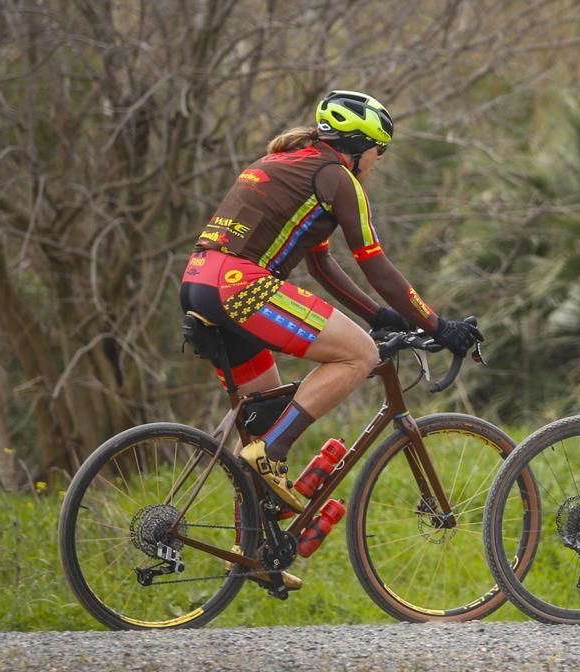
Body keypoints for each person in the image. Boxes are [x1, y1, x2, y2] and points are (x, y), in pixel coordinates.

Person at [180, 90, 482, 514]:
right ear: (359, 148)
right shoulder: (339, 177)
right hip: (241, 287)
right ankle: (272, 452)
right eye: (380, 150)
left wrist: (377, 314)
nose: (379, 160)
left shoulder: (286, 163)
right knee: (359, 354)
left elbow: (320, 264)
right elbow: (375, 265)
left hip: (198, 282)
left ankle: (249, 556)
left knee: (264, 417)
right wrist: (437, 326)